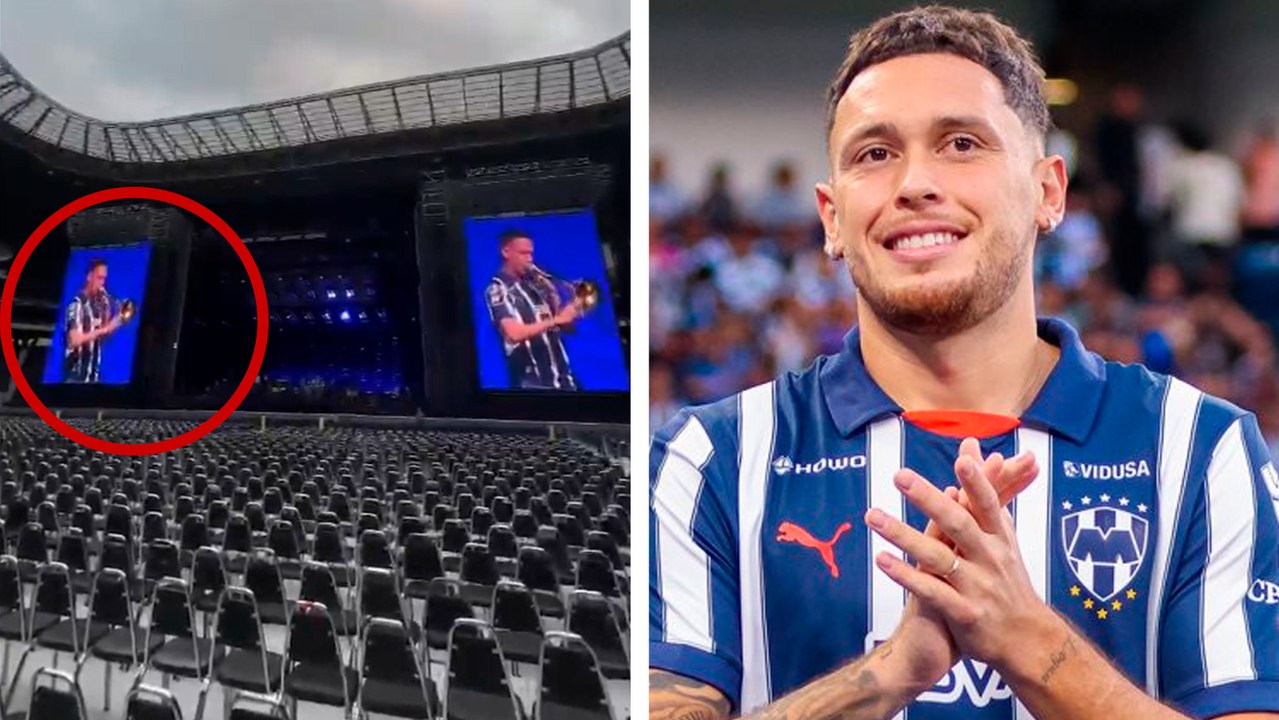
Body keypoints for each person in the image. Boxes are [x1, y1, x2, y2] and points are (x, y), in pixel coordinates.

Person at [649, 6, 1279, 720]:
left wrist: (1029, 642)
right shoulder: (708, 461)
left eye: (960, 143)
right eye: (874, 154)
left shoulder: (1202, 450)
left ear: (1048, 192)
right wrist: (892, 673)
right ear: (830, 217)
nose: (914, 182)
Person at [485, 230, 579, 390]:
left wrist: (570, 308)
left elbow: (564, 329)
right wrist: (556, 320)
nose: (530, 259)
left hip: (565, 383)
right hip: (534, 386)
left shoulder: (535, 286)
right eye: (523, 253)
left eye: (531, 254)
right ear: (506, 252)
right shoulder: (498, 288)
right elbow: (513, 333)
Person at [63, 258, 123, 383]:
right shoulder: (76, 304)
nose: (102, 283)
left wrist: (116, 320)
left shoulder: (98, 306)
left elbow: (104, 336)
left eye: (104, 279)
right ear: (89, 276)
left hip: (93, 378)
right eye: (99, 278)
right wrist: (105, 329)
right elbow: (74, 340)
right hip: (76, 379)